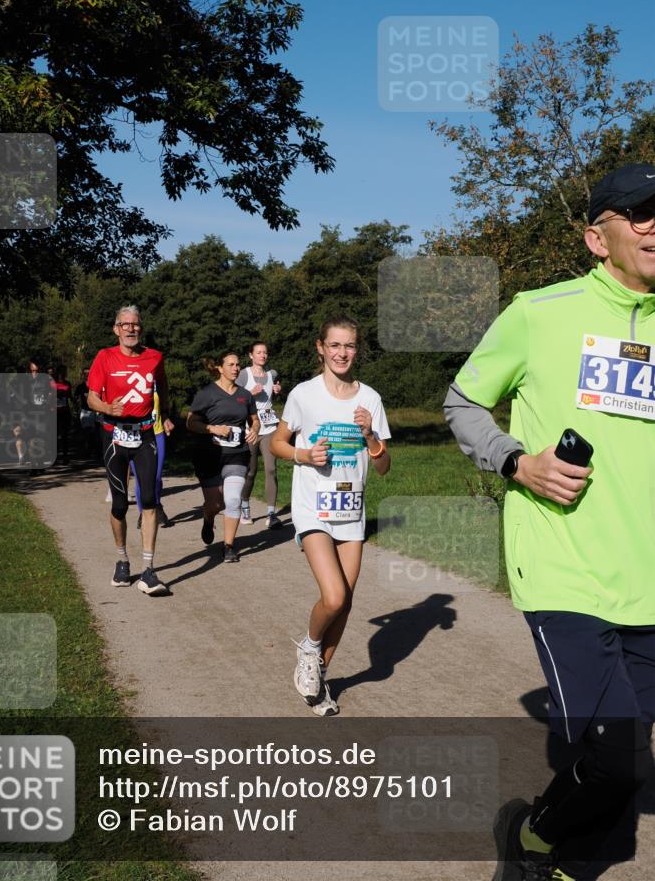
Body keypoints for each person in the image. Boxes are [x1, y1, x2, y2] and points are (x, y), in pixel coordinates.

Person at [443, 163, 655, 881]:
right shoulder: (539, 312)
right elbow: (463, 404)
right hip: (564, 568)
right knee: (621, 758)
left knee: (622, 761)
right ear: (597, 238)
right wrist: (515, 462)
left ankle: (555, 859)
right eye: (639, 212)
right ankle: (533, 840)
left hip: (646, 579)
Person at [270, 316, 391, 716]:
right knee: (334, 595)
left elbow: (384, 466)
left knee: (345, 603)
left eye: (349, 346)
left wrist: (370, 435)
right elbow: (276, 443)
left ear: (358, 350)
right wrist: (303, 454)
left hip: (351, 511)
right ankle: (309, 648)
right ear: (320, 347)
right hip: (313, 509)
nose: (342, 353)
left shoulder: (370, 399)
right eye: (335, 345)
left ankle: (318, 678)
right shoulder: (304, 395)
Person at [87, 305, 173, 596]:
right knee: (120, 505)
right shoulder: (105, 357)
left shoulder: (154, 357)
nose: (131, 329)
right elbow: (91, 398)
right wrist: (107, 407)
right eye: (125, 324)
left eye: (135, 324)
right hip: (114, 435)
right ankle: (122, 560)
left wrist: (165, 414)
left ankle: (148, 569)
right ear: (116, 329)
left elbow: (163, 386)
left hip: (145, 435)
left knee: (149, 500)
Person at [186, 352, 259, 563]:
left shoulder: (245, 395)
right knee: (216, 504)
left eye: (238, 365)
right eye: (231, 365)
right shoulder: (207, 393)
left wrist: (255, 429)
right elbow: (191, 422)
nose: (236, 368)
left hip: (237, 454)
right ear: (220, 368)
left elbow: (254, 419)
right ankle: (208, 518)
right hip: (209, 455)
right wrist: (212, 428)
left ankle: (228, 546)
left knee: (234, 500)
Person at [237, 342, 283, 528]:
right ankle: (245, 506)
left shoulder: (272, 374)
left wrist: (277, 390)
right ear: (251, 355)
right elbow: (233, 398)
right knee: (251, 471)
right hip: (250, 429)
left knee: (271, 469)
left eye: (265, 352)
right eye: (258, 352)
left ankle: (271, 514)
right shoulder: (244, 374)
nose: (262, 355)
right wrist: (249, 393)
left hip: (270, 428)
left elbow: (272, 392)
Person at [132, 380, 174, 529]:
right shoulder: (129, 377)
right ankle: (143, 513)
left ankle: (156, 506)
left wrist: (166, 416)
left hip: (156, 432)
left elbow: (163, 401)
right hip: (135, 435)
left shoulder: (157, 378)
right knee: (141, 479)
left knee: (156, 476)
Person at [48, 364, 72, 463]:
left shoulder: (68, 383)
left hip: (65, 411)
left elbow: (70, 396)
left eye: (64, 371)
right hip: (54, 412)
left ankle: (65, 456)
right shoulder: (52, 383)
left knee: (64, 435)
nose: (63, 373)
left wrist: (74, 402)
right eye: (61, 371)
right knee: (54, 435)